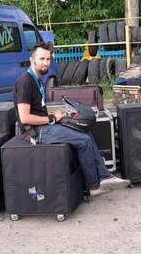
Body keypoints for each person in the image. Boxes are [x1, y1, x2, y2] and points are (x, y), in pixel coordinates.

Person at [14, 42, 130, 197]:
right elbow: (25, 118)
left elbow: (37, 109)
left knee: (84, 129)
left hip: (44, 125)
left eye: (48, 59)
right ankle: (94, 186)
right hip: (35, 132)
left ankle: (105, 176)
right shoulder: (25, 82)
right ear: (32, 60)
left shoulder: (37, 80)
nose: (45, 63)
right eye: (41, 59)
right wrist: (52, 118)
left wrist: (59, 115)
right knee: (83, 141)